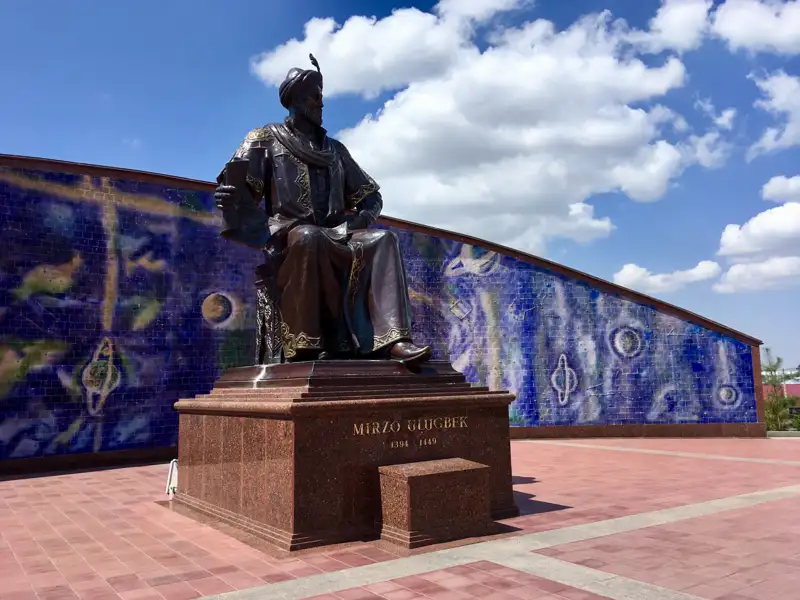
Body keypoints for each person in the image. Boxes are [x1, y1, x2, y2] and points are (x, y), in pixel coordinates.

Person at [214, 54, 431, 365]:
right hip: (290, 237)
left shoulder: (336, 150)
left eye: (321, 96)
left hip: (335, 235)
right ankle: (306, 345)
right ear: (297, 100)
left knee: (384, 240)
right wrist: (229, 196)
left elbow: (372, 198)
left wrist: (358, 221)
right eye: (315, 97)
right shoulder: (265, 138)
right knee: (307, 236)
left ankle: (394, 340)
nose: (321, 104)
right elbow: (238, 190)